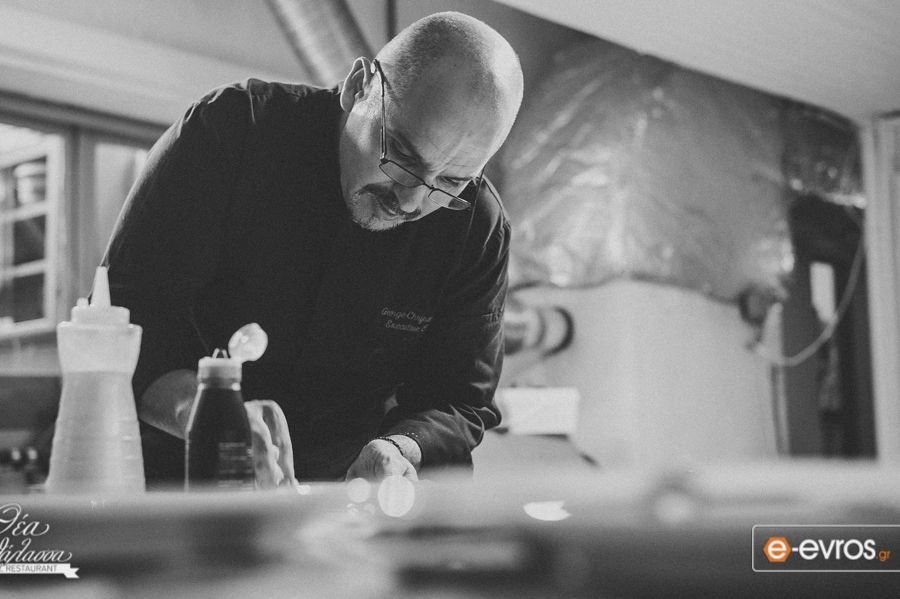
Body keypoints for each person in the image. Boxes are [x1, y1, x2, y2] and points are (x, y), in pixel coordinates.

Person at [103, 11, 524, 486]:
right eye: (403, 155)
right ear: (358, 87)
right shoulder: (233, 131)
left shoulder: (476, 227)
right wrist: (204, 413)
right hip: (163, 473)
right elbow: (124, 317)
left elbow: (459, 398)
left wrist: (399, 447)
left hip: (331, 492)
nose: (411, 201)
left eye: (450, 181)